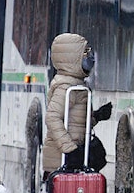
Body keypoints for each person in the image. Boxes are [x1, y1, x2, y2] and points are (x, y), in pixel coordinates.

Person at [42, 33, 112, 176]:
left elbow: (75, 122)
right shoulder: (66, 86)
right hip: (62, 160)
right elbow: (52, 118)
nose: (90, 57)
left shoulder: (76, 84)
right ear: (72, 59)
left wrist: (96, 117)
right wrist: (70, 150)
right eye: (85, 53)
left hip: (71, 159)